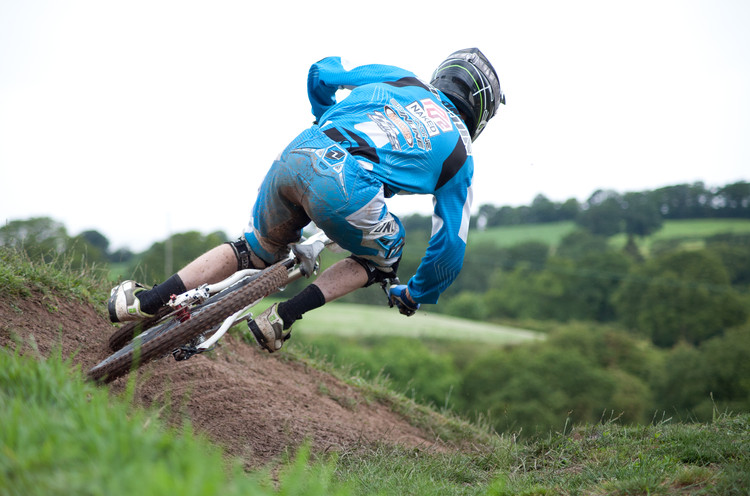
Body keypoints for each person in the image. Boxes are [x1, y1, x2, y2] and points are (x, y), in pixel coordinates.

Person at [108, 48, 505, 353]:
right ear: (481, 113)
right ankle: (282, 317)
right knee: (384, 256)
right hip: (349, 188)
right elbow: (450, 249)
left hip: (300, 153)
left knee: (253, 249)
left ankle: (142, 301)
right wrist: (416, 293)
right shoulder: (461, 156)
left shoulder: (399, 78)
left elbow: (322, 71)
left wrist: (324, 115)